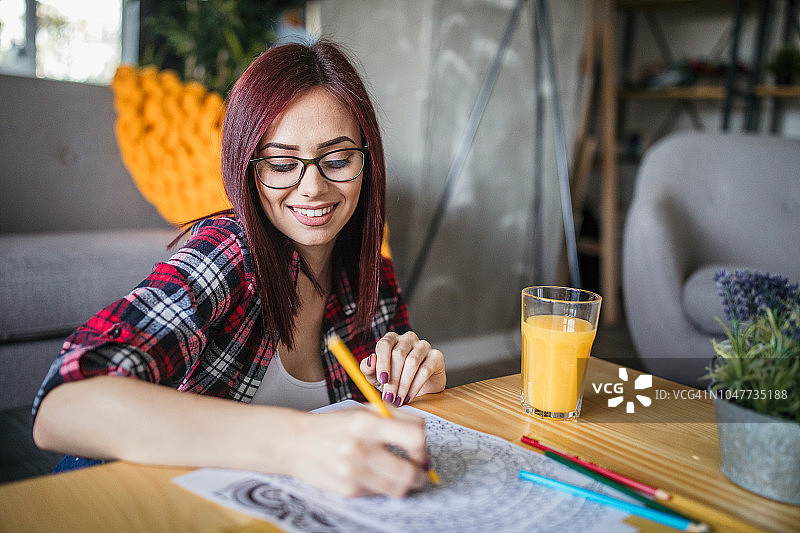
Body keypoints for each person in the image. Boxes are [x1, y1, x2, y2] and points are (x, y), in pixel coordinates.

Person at [31, 40, 446, 498]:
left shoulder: (370, 269)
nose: (312, 188)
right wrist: (297, 442)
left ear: (368, 162)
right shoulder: (230, 250)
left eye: (338, 160)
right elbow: (60, 406)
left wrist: (416, 379)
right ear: (247, 168)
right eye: (283, 164)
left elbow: (384, 420)